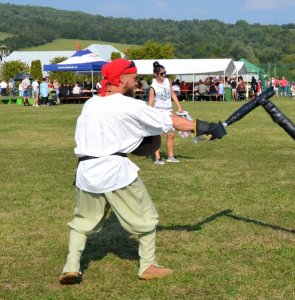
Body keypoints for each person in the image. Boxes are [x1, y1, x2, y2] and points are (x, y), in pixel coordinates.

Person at [58, 59, 225, 285]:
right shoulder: (126, 104)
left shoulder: (91, 104)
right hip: (115, 172)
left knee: (82, 221)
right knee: (147, 216)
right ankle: (148, 265)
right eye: (134, 78)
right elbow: (168, 120)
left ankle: (71, 266)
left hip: (86, 172)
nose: (137, 82)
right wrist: (207, 127)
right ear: (122, 79)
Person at [148, 61, 183, 164]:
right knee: (158, 135)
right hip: (158, 111)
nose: (164, 75)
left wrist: (179, 107)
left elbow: (172, 94)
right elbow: (150, 102)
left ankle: (170, 156)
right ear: (155, 74)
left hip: (169, 110)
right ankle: (158, 158)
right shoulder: (153, 86)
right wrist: (149, 114)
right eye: (161, 73)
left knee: (171, 134)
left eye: (165, 73)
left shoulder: (168, 81)